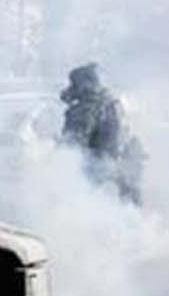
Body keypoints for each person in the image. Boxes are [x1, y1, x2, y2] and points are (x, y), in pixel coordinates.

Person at [60, 62, 142, 205]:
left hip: (98, 170)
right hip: (122, 167)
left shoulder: (87, 108)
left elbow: (73, 144)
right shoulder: (114, 103)